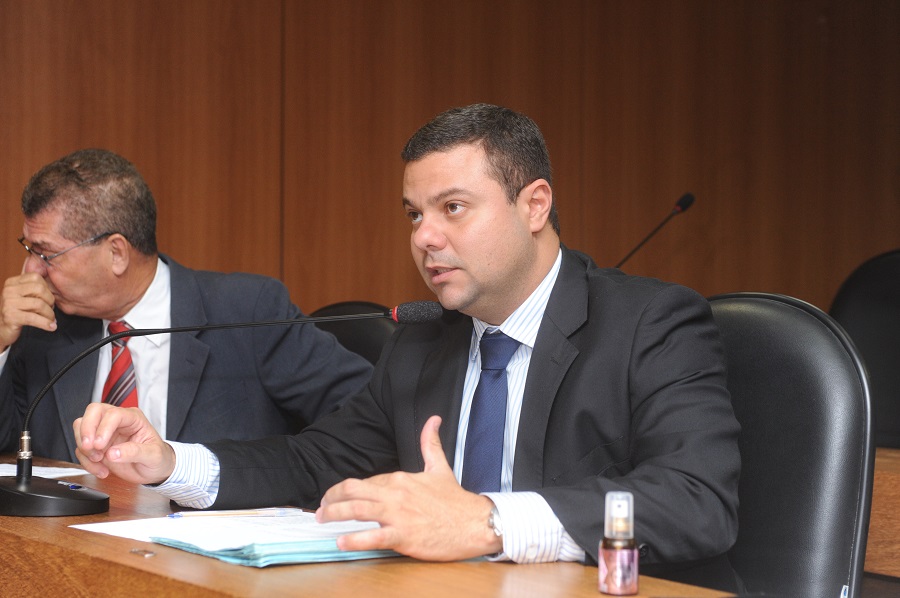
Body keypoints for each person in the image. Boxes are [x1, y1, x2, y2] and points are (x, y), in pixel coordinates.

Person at [74, 105, 742, 590]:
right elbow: (315, 461)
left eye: (453, 208)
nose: (424, 237)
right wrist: (169, 462)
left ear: (534, 205)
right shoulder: (424, 341)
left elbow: (696, 499)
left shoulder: (650, 322)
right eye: (414, 214)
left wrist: (486, 521)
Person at [0, 148, 373, 463]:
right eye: (28, 249)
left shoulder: (248, 311)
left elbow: (369, 417)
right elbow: (7, 444)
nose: (30, 271)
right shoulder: (44, 326)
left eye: (46, 254)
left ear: (116, 253)